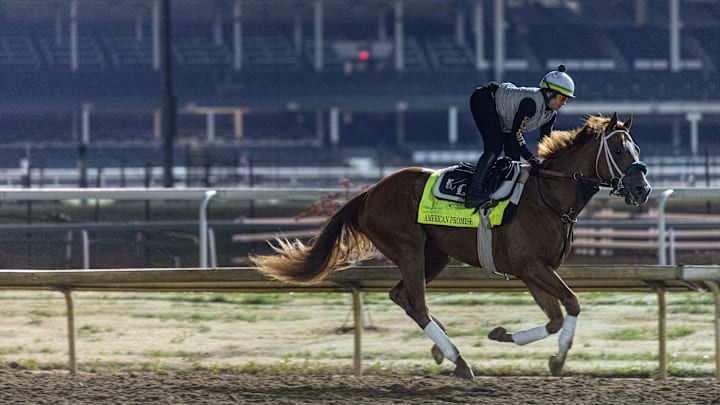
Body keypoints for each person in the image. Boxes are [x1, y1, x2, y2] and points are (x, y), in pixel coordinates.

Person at [464, 64, 575, 209]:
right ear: (548, 93)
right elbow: (516, 135)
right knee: (495, 146)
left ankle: (503, 191)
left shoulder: (551, 115)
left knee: (513, 157)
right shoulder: (531, 104)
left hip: (502, 114)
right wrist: (532, 159)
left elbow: (545, 142)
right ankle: (473, 192)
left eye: (566, 99)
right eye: (561, 98)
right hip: (484, 100)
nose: (563, 103)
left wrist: (550, 162)